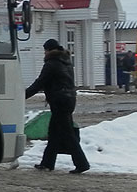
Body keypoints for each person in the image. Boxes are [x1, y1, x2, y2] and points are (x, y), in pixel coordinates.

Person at [25, 38, 90, 173]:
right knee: (54, 133)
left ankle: (82, 164)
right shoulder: (66, 61)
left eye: (45, 51)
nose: (44, 53)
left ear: (48, 50)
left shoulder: (52, 63)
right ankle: (47, 163)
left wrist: (23, 95)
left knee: (68, 134)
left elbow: (40, 82)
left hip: (60, 101)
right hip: (68, 99)